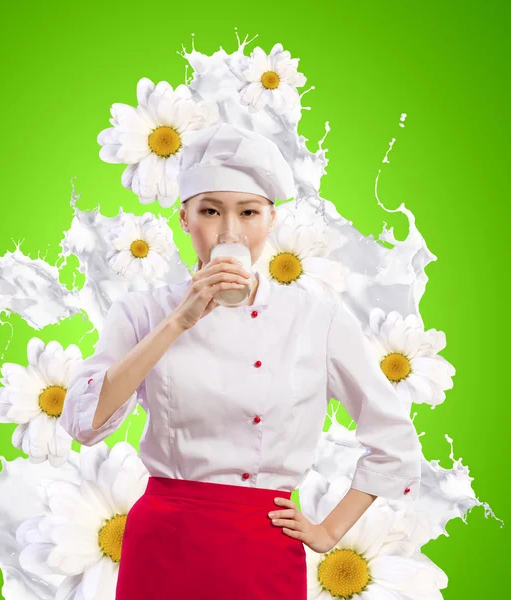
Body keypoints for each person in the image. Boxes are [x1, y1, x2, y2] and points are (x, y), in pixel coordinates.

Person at [59, 122, 423, 599]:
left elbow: (393, 438)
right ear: (185, 218)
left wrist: (330, 531)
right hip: (164, 540)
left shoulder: (318, 317)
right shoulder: (142, 312)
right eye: (210, 211)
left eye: (248, 212)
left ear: (270, 221)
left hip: (261, 541)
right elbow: (84, 422)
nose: (229, 232)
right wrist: (177, 322)